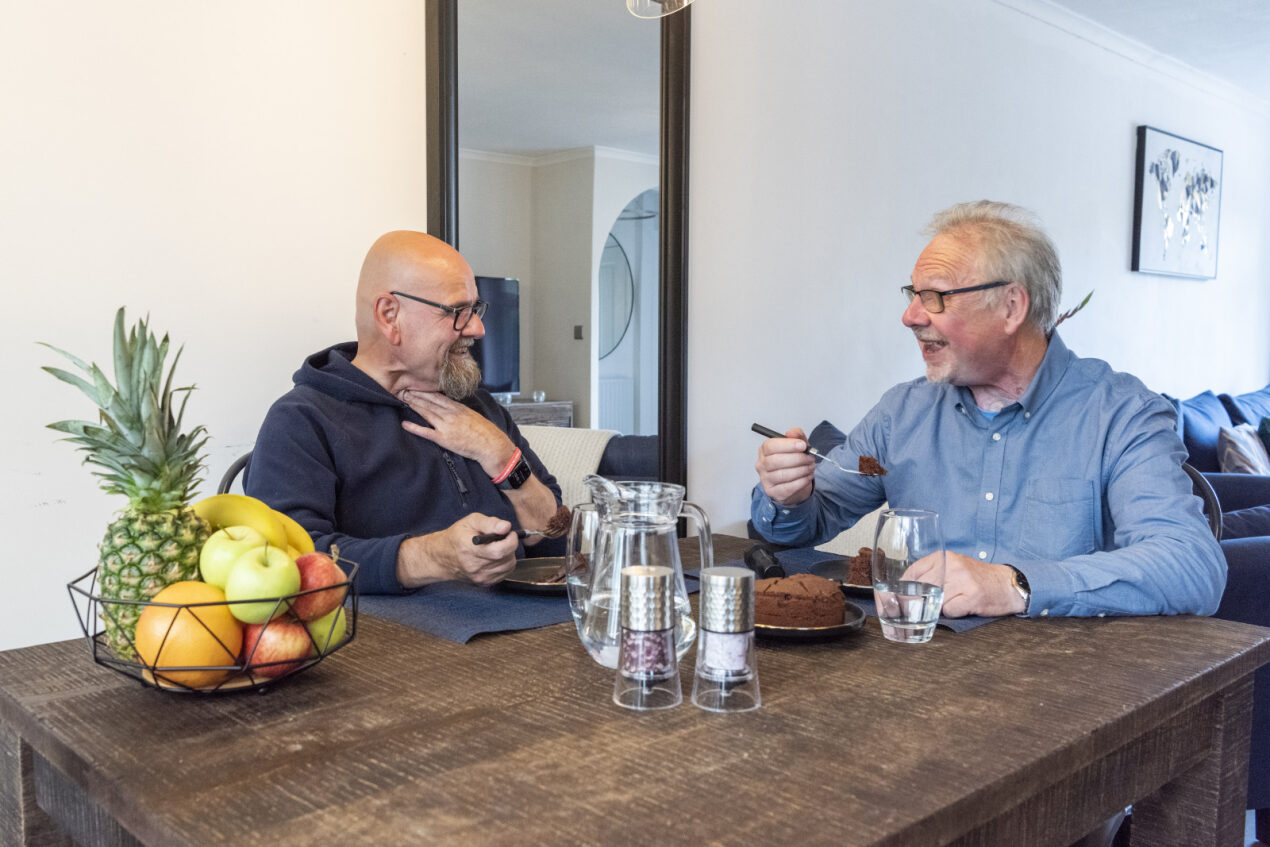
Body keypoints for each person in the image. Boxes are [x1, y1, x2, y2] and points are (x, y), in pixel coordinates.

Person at [751, 200, 1226, 619]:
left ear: (1011, 306)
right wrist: (788, 497)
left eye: (934, 296)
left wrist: (1014, 584)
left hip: (1066, 691)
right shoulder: (903, 412)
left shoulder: (1121, 414)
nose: (911, 316)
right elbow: (807, 523)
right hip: (911, 667)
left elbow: (1191, 565)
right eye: (912, 295)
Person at [246, 231, 564, 594]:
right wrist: (430, 558)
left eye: (475, 310)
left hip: (528, 628)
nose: (477, 328)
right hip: (400, 642)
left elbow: (557, 542)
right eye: (457, 312)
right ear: (389, 315)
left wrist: (503, 458)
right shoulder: (302, 420)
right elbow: (289, 563)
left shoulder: (478, 405)